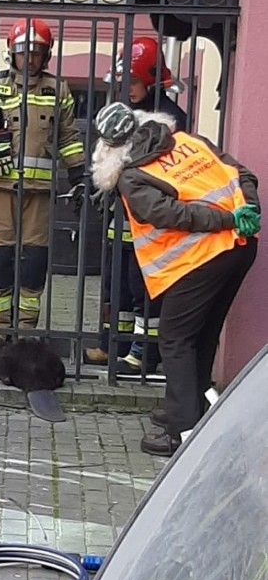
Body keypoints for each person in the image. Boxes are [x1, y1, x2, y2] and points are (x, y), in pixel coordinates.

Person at [92, 102, 259, 457]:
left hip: (198, 259)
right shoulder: (188, 140)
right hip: (240, 248)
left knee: (174, 339)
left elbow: (167, 213)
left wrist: (229, 219)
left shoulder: (131, 175)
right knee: (202, 334)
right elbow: (241, 172)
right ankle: (194, 405)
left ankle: (184, 433)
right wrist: (247, 210)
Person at [0, 18, 85, 350]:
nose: (28, 59)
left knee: (34, 262)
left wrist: (79, 175)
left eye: (35, 53)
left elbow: (69, 137)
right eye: (22, 53)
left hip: (40, 194)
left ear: (46, 55)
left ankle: (27, 327)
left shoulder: (58, 90)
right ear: (10, 53)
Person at [85, 36, 188, 374]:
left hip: (148, 220)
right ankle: (114, 344)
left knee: (144, 288)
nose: (127, 89)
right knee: (117, 286)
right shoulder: (125, 113)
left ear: (151, 79)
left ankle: (145, 353)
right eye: (123, 82)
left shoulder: (170, 119)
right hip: (122, 216)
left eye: (134, 82)